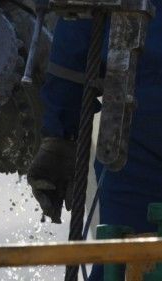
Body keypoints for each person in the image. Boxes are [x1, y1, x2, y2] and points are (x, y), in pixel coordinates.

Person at [27, 3, 162, 280]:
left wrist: (60, 133)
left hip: (134, 126)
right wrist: (59, 136)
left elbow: (78, 26)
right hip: (132, 127)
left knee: (125, 260)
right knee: (125, 259)